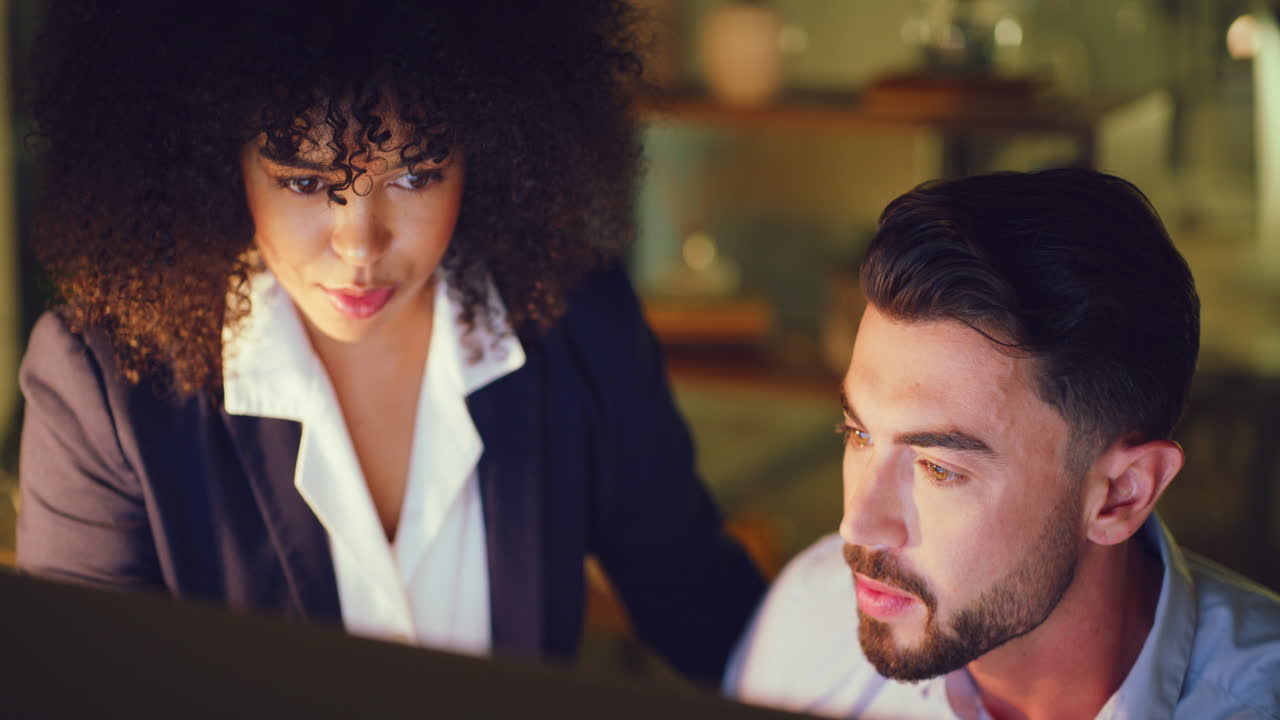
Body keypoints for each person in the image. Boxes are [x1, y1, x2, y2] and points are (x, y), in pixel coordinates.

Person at [15, 0, 764, 684]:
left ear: (494, 150)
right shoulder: (104, 387)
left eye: (416, 175)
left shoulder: (576, 331)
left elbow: (718, 626)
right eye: (306, 183)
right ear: (219, 160)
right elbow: (83, 691)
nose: (360, 244)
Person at [726, 169, 1280, 718]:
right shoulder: (809, 621)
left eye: (939, 469)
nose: (858, 527)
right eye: (858, 434)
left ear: (1121, 495)